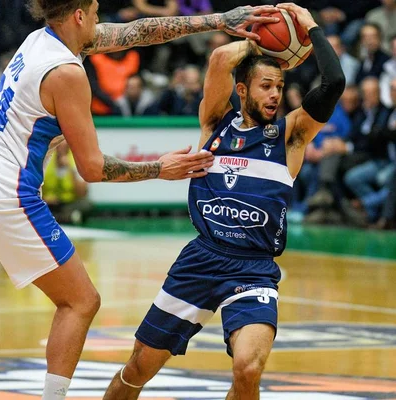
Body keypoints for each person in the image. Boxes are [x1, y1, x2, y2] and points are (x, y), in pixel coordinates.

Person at [0, 1, 279, 399]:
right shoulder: (67, 72)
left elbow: (140, 32)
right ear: (79, 15)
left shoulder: (37, 40)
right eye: (95, 11)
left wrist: (218, 21)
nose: (100, 21)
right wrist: (159, 169)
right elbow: (92, 169)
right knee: (80, 301)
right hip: (0, 188)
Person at [102, 3, 345, 400]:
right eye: (266, 86)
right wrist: (259, 41)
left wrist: (309, 26)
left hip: (253, 268)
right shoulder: (216, 122)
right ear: (243, 90)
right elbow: (218, 58)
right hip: (202, 258)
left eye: (280, 87)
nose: (275, 95)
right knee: (139, 366)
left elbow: (333, 82)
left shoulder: (291, 136)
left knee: (248, 368)